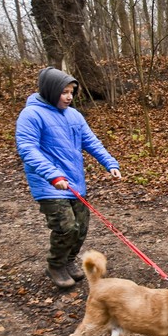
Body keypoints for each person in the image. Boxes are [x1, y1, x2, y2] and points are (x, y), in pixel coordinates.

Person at [16, 67, 122, 288]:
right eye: (64, 92)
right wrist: (53, 175)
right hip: (49, 184)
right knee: (66, 227)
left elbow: (91, 141)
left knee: (81, 227)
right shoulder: (31, 115)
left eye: (71, 92)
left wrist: (109, 163)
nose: (69, 97)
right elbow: (27, 149)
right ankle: (56, 265)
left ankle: (69, 261)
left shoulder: (74, 115)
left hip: (74, 182)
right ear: (51, 90)